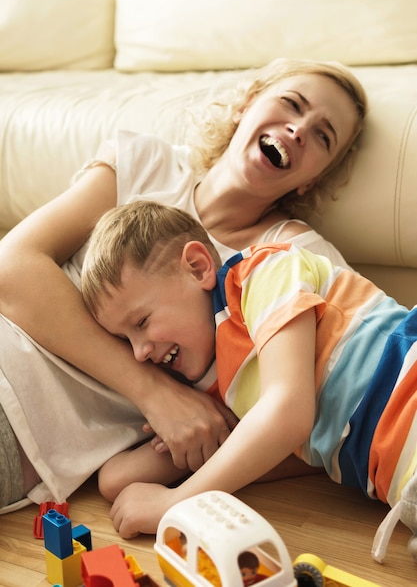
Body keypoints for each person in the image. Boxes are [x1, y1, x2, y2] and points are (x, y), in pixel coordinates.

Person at [0, 58, 367, 512]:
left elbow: (332, 414)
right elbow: (11, 267)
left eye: (322, 136)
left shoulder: (296, 257)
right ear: (246, 105)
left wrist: (195, 468)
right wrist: (155, 393)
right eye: (291, 104)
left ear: (314, 177)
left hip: (34, 430)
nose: (297, 130)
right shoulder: (148, 165)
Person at [80, 200, 417, 539]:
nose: (139, 353)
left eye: (141, 322)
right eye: (125, 339)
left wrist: (176, 502)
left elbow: (288, 412)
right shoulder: (213, 385)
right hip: (400, 483)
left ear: (197, 268)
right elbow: (118, 481)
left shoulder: (263, 272)